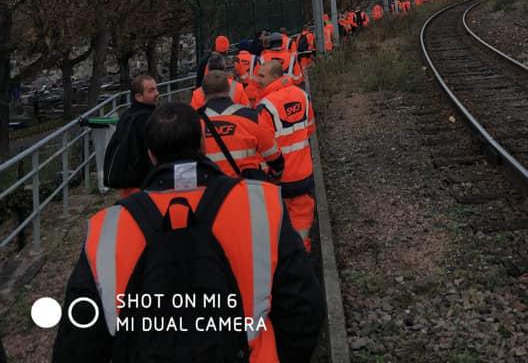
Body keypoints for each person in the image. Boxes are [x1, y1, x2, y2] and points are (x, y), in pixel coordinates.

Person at [52, 102, 324, 363]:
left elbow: (78, 342)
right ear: (204, 145)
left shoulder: (107, 228)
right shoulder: (262, 206)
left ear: (150, 155)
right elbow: (304, 308)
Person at [255, 61, 315, 252]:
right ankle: (303, 256)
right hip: (304, 174)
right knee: (303, 219)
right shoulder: (303, 96)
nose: (257, 80)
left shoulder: (265, 106)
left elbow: (263, 145)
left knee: (278, 223)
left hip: (279, 177)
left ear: (274, 77)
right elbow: (310, 129)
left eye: (261, 76)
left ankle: (283, 262)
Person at [200, 70, 284, 181]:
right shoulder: (251, 117)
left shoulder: (193, 122)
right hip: (244, 189)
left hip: (210, 192)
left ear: (203, 92)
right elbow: (274, 157)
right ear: (228, 90)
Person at [103, 74, 159, 195]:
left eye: (156, 89)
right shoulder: (146, 119)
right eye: (151, 90)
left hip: (129, 181)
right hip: (144, 182)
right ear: (138, 96)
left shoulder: (127, 115)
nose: (157, 93)